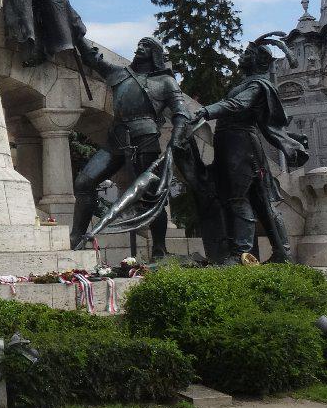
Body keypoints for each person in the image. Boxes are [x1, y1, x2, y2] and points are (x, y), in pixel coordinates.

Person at [180, 33, 308, 264]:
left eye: (248, 54)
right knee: (260, 201)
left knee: (238, 198)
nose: (242, 56)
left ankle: (241, 253)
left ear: (259, 61)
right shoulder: (247, 83)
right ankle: (282, 253)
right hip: (234, 144)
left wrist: (206, 110)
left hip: (240, 145)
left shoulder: (258, 85)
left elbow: (239, 104)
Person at [68, 31, 188, 254]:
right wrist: (76, 31)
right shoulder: (119, 74)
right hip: (116, 138)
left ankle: (160, 248)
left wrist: (176, 139)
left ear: (155, 54)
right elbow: (92, 59)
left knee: (152, 195)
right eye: (140, 44)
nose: (140, 47)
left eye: (146, 46)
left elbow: (181, 113)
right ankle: (77, 237)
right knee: (84, 183)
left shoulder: (166, 82)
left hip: (146, 140)